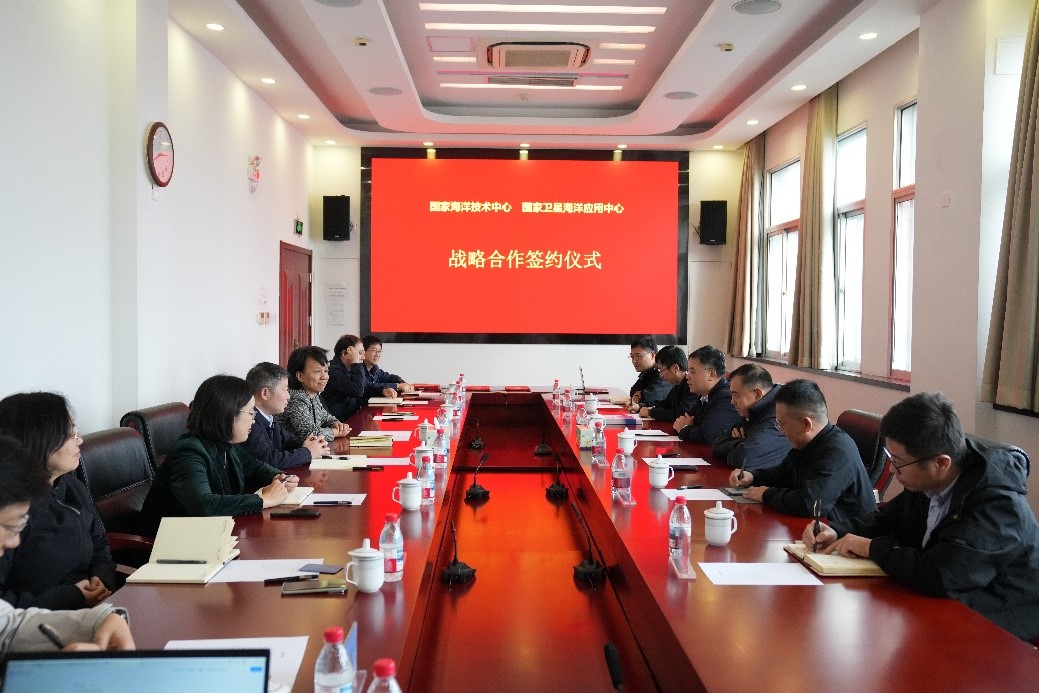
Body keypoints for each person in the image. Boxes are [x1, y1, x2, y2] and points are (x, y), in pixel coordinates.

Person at [803, 392, 1039, 642]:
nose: (892, 469)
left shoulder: (997, 507)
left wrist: (871, 547)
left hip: (1000, 627)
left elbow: (940, 575)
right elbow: (886, 520)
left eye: (898, 462)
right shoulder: (930, 483)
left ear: (941, 464)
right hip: (942, 607)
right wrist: (838, 530)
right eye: (890, 457)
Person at [0, 436, 135, 654]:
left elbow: (9, 627)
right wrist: (73, 597)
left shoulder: (73, 488)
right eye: (11, 526)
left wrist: (99, 620)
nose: (14, 540)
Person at [0, 393, 118, 610]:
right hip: (39, 622)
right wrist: (72, 596)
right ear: (39, 440)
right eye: (70, 434)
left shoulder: (72, 487)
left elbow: (100, 543)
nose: (79, 440)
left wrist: (102, 577)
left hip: (93, 609)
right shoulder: (10, 510)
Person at [141, 375, 300, 535]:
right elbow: (204, 505)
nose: (254, 419)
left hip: (210, 532)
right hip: (173, 540)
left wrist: (279, 477)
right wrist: (264, 500)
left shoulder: (226, 444)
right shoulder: (189, 451)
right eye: (251, 412)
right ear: (228, 414)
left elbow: (254, 467)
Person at [728, 379, 875, 525]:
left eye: (782, 424)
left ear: (806, 424)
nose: (780, 431)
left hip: (845, 532)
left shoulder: (838, 451)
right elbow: (784, 473)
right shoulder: (807, 442)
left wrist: (767, 494)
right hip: (815, 527)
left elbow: (811, 503)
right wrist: (753, 476)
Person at [242, 362, 328, 470]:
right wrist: (308, 452)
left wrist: (311, 444)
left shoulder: (270, 417)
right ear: (265, 393)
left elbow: (288, 441)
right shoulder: (249, 422)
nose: (288, 396)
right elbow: (268, 460)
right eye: (285, 389)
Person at [711, 364, 790, 471]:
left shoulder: (778, 413)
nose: (732, 401)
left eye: (736, 395)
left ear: (757, 394)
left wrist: (741, 444)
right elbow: (716, 442)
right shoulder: (751, 409)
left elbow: (744, 459)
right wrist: (741, 442)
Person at [280, 346, 352, 442]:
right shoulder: (295, 399)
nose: (324, 377)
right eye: (317, 371)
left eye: (326, 371)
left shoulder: (312, 393)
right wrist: (336, 432)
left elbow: (324, 416)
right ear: (300, 376)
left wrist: (335, 423)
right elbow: (310, 434)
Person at [673, 345, 741, 444]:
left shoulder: (726, 398)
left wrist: (684, 428)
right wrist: (685, 427)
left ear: (711, 374)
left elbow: (707, 436)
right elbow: (680, 421)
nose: (687, 377)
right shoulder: (704, 395)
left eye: (692, 372)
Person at [321, 335, 396, 421]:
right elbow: (357, 391)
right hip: (337, 423)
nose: (363, 357)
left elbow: (366, 386)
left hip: (352, 419)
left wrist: (383, 390)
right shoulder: (332, 371)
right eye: (360, 353)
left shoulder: (351, 368)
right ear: (345, 354)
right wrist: (356, 364)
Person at [638, 346, 697, 422]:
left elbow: (682, 413)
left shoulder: (692, 386)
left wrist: (651, 412)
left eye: (661, 370)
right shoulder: (677, 385)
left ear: (675, 368)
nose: (660, 375)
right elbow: (665, 404)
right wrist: (642, 406)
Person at [626, 336, 671, 413]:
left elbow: (649, 399)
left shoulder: (662, 373)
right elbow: (633, 392)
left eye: (638, 356)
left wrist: (640, 396)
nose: (634, 361)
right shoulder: (647, 372)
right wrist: (638, 395)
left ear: (652, 355)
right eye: (632, 357)